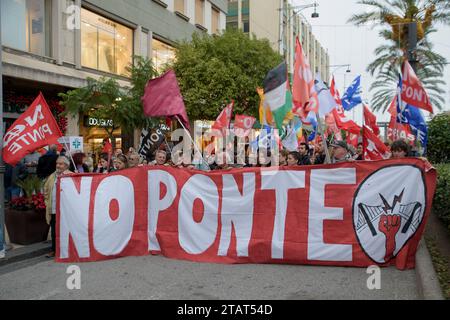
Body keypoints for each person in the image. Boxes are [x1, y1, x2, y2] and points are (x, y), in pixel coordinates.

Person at [44, 156, 73, 258]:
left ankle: (67, 250)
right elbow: (46, 190)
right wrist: (47, 202)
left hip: (65, 210)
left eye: (60, 164)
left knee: (66, 230)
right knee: (54, 231)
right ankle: (54, 250)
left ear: (66, 165)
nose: (58, 165)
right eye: (57, 163)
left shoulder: (71, 176)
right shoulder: (52, 176)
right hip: (54, 209)